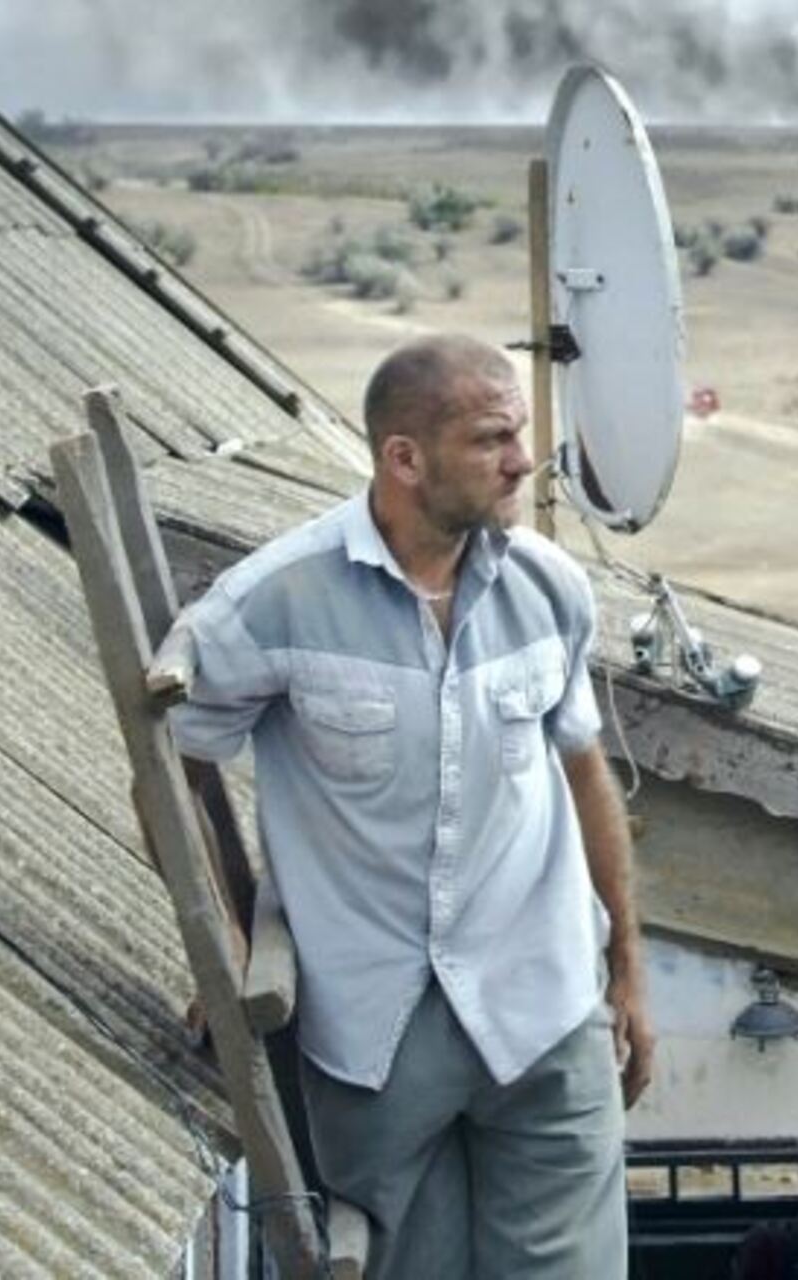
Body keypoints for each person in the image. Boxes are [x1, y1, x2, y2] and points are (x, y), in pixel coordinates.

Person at [169, 333, 654, 1279]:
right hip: (371, 1030)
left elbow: (583, 770)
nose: (523, 460)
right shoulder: (276, 601)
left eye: (519, 434)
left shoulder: (549, 589)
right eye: (491, 440)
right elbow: (175, 766)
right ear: (403, 458)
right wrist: (224, 937)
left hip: (542, 1011)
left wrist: (629, 967)